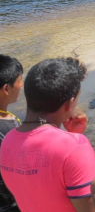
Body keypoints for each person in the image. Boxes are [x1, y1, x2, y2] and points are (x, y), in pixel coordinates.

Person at [0, 57, 95, 212]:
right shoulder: (76, 147)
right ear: (69, 104)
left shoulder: (8, 141)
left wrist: (69, 136)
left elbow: (43, 189)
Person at [0, 55, 23, 211]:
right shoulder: (8, 128)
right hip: (11, 203)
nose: (22, 85)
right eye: (20, 80)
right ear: (6, 89)